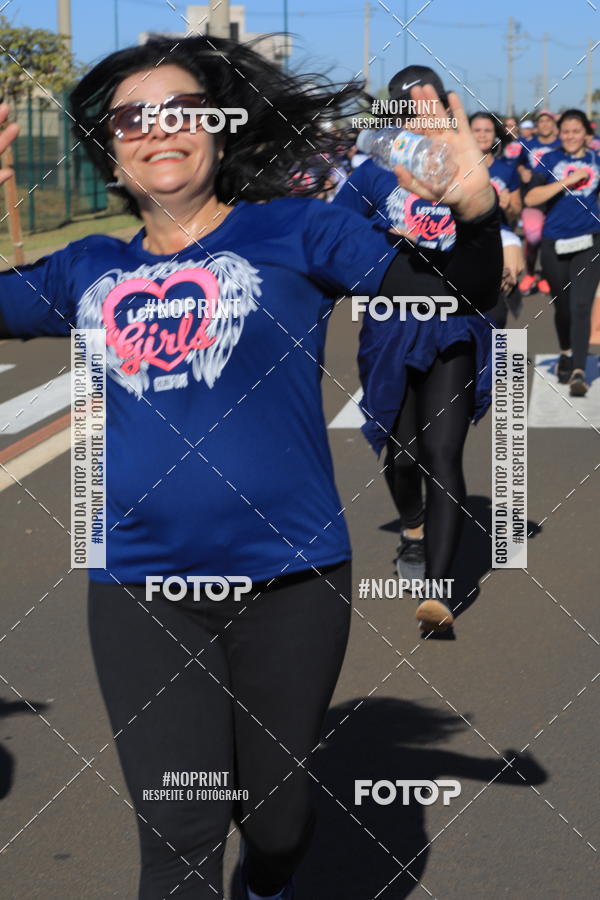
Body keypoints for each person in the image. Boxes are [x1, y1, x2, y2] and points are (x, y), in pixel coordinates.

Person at [0, 36, 501, 900]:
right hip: (141, 591)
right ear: (110, 146)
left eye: (183, 112)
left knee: (277, 824)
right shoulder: (90, 267)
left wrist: (477, 211)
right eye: (133, 117)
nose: (159, 130)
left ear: (223, 133)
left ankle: (269, 874)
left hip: (293, 582)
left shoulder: (297, 230)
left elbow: (451, 300)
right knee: (180, 833)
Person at [333, 65, 498, 634]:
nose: (424, 116)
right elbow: (332, 243)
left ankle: (440, 591)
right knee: (403, 456)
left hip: (454, 324)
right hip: (390, 329)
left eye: (433, 105)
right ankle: (412, 527)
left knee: (443, 453)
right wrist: (387, 245)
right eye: (412, 107)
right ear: (397, 115)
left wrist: (506, 248)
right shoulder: (372, 176)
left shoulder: (469, 165)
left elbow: (491, 231)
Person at [525, 108, 600, 396]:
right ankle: (566, 351)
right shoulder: (550, 160)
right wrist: (566, 181)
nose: (570, 136)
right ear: (560, 133)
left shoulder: (596, 160)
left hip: (590, 241)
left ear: (587, 134)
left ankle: (579, 369)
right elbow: (531, 198)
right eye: (566, 131)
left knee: (581, 306)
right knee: (564, 306)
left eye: (576, 131)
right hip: (554, 242)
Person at [469, 111, 524, 327]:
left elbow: (515, 214)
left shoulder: (507, 171)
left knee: (498, 311)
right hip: (464, 239)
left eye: (488, 130)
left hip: (499, 236)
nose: (482, 135)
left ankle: (503, 358)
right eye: (477, 130)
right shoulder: (455, 168)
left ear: (495, 135)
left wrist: (508, 205)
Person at [517, 110, 560, 296]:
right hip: (533, 199)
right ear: (537, 125)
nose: (544, 124)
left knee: (552, 241)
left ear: (553, 124)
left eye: (548, 121)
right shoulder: (527, 144)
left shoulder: (561, 145)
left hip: (557, 199)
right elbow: (516, 163)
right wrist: (521, 171)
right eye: (541, 121)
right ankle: (530, 273)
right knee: (533, 238)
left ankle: (546, 277)